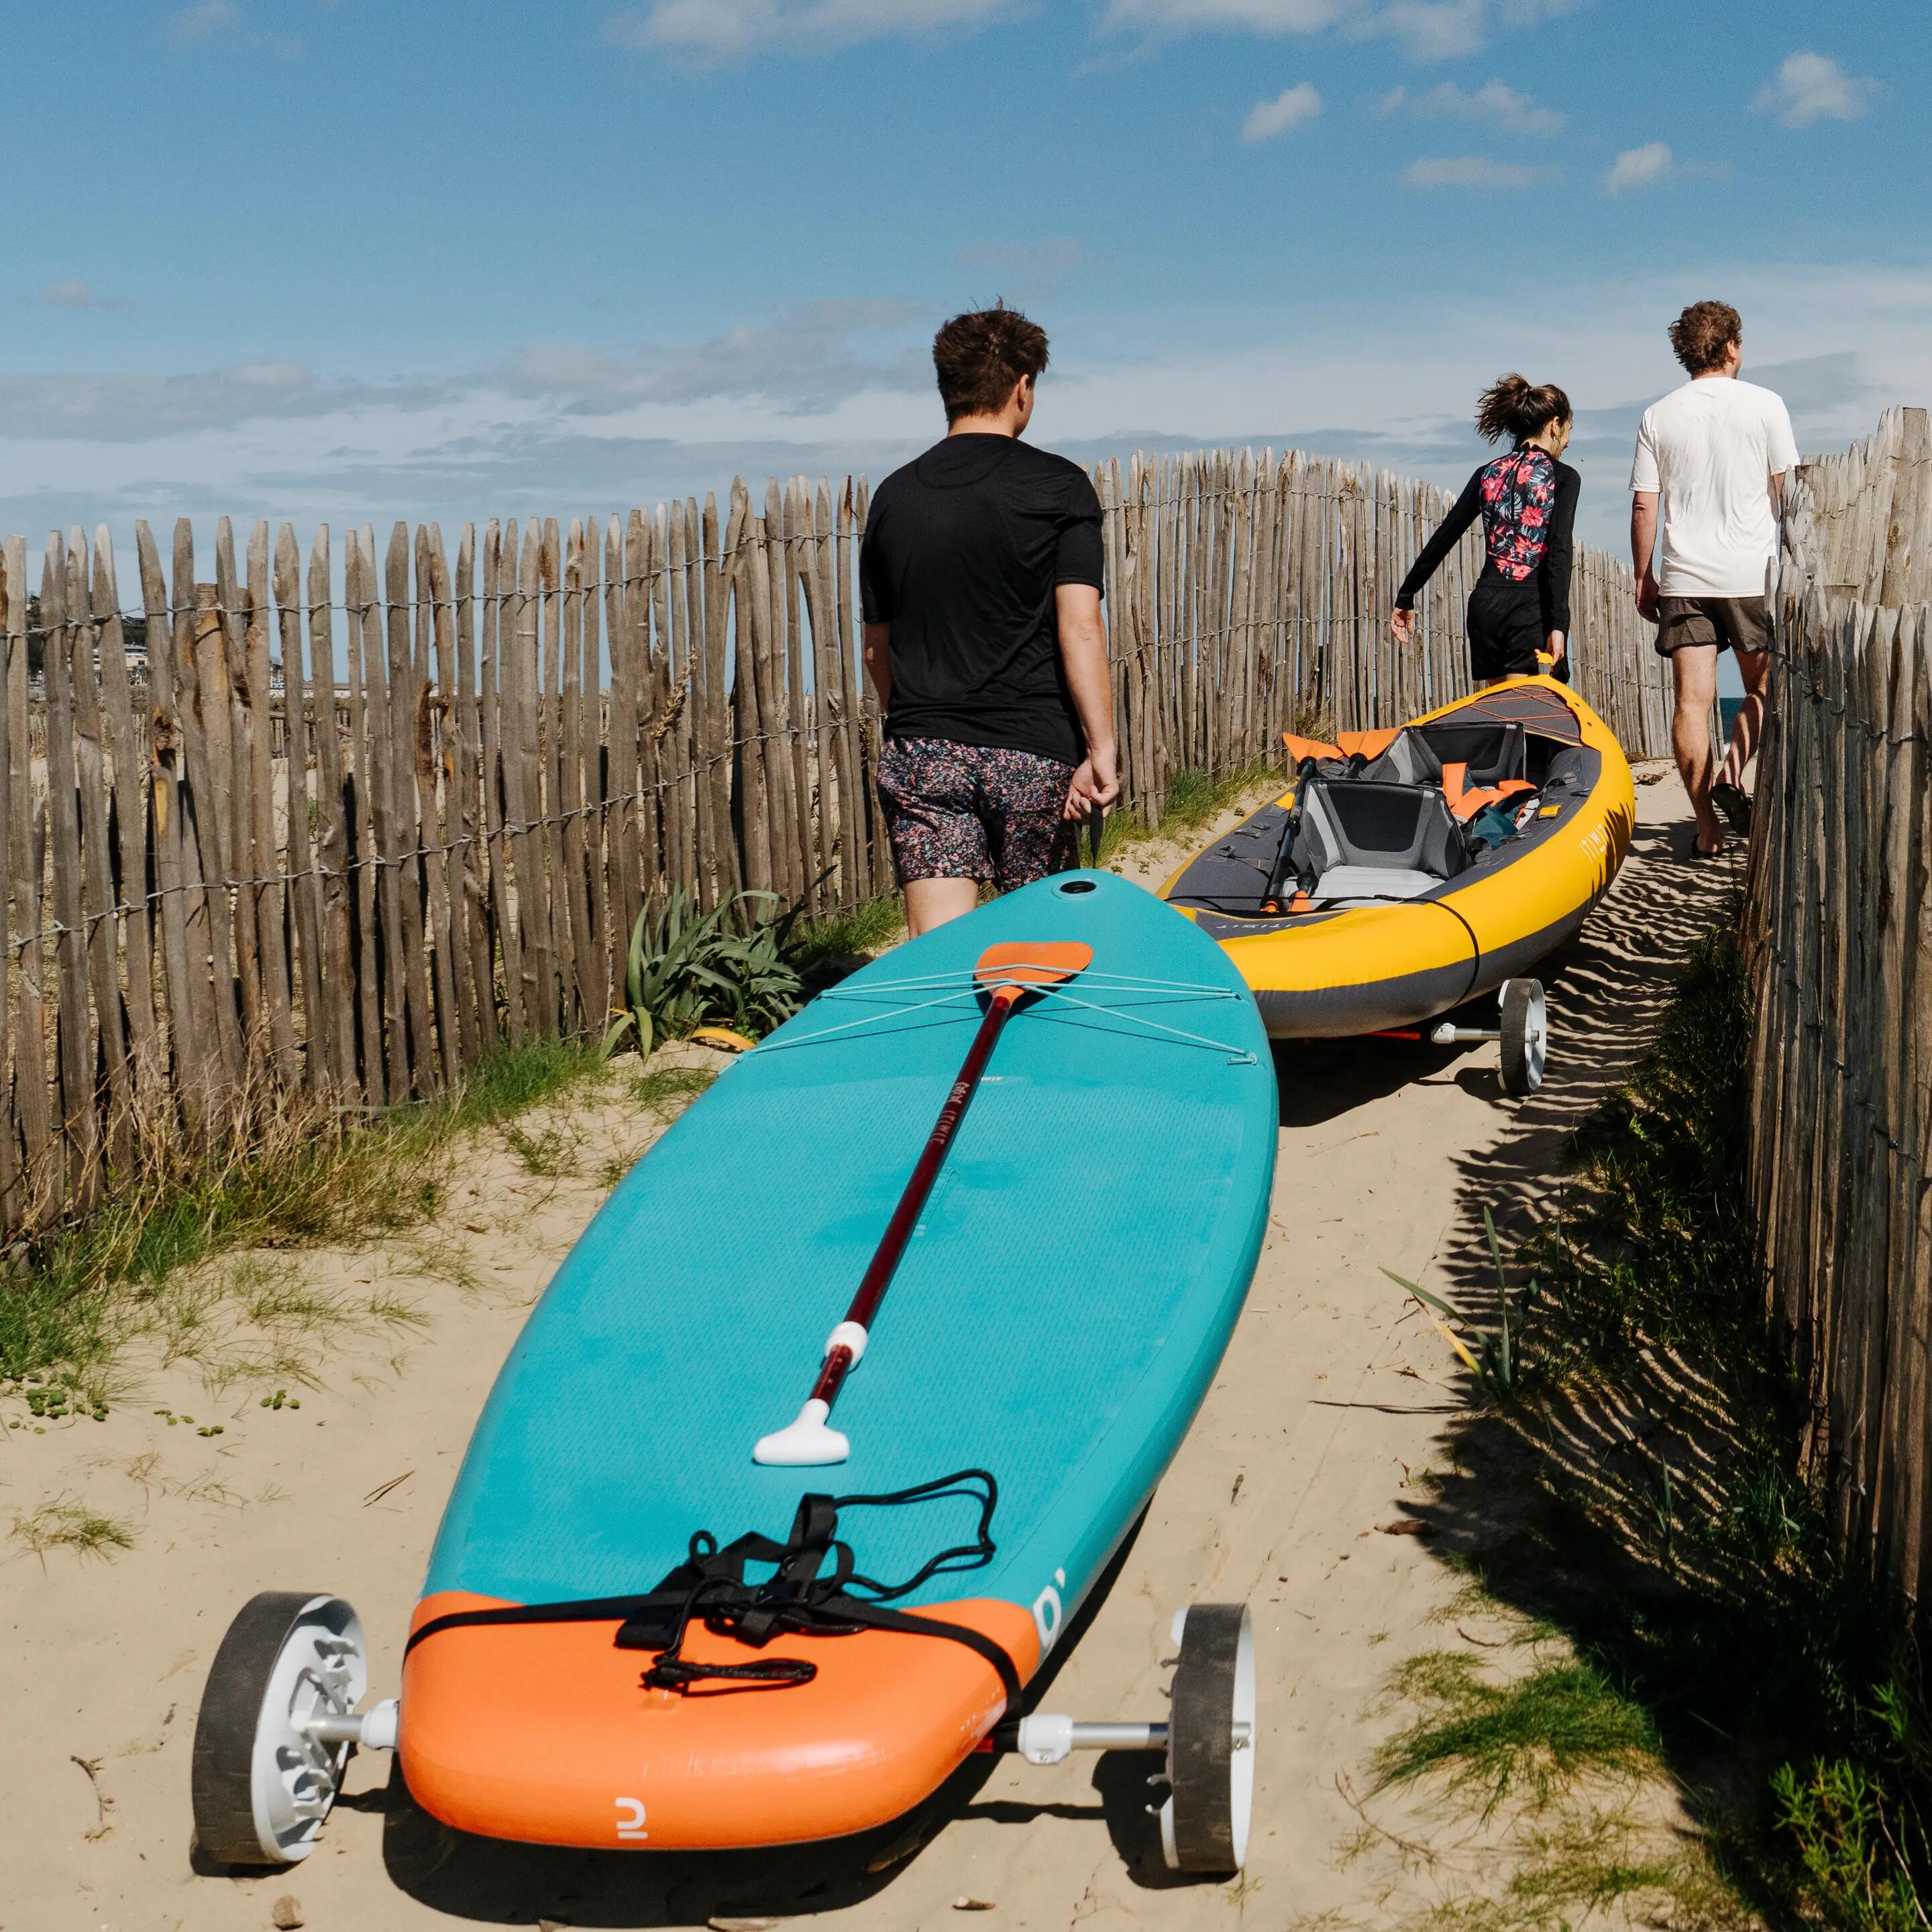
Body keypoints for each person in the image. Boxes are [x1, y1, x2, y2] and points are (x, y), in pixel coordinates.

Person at [860, 306, 1119, 937]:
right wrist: (1101, 749)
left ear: (947, 386)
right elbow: (1080, 627)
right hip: (1031, 750)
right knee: (1037, 954)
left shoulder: (894, 496)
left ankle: (950, 1035)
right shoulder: (1059, 487)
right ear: (1022, 387)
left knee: (943, 956)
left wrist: (919, 725)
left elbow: (876, 649)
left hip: (924, 752)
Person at [1629, 299, 1798, 857]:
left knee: (1692, 704)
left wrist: (1643, 576)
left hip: (1684, 577)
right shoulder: (1766, 406)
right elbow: (1786, 494)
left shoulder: (1658, 415)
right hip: (1749, 573)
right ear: (1731, 347)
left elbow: (1644, 508)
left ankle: (1706, 827)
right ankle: (1731, 773)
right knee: (1765, 688)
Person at [1390, 376, 1580, 689]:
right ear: (1555, 425)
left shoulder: (1487, 473)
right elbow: (1560, 550)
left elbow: (1445, 535)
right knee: (1525, 723)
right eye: (1569, 430)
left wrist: (1406, 595)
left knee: (1501, 721)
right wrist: (1559, 625)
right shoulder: (1563, 477)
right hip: (1527, 608)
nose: (1568, 441)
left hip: (1486, 608)